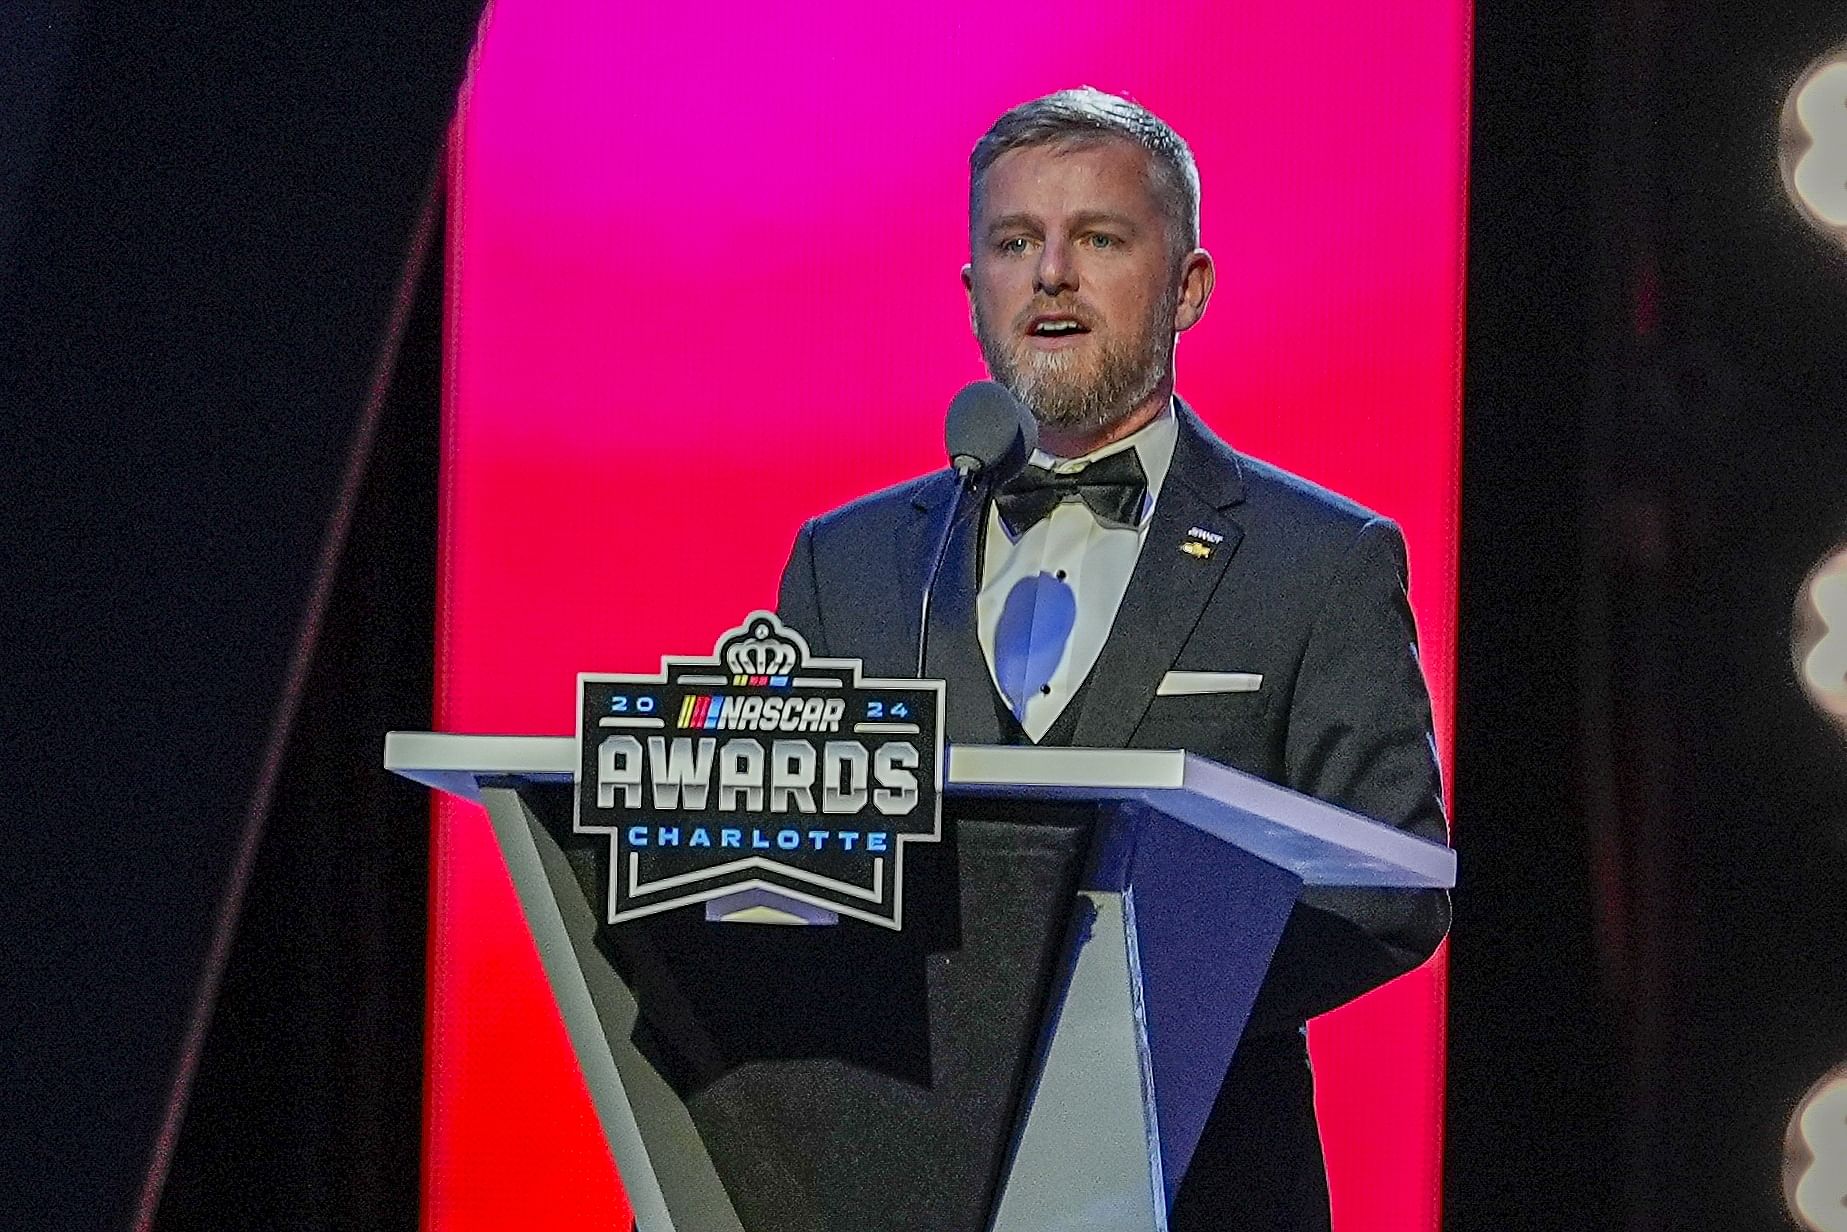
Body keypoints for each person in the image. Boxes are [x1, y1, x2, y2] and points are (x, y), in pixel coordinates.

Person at [776, 87, 1450, 1232]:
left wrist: (1126, 1013)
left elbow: (1391, 879)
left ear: (1186, 286)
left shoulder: (1317, 560)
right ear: (971, 294)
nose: (1049, 272)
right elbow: (793, 855)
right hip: (904, 1186)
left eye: (1097, 237)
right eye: (1012, 242)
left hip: (1205, 1182)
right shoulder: (846, 563)